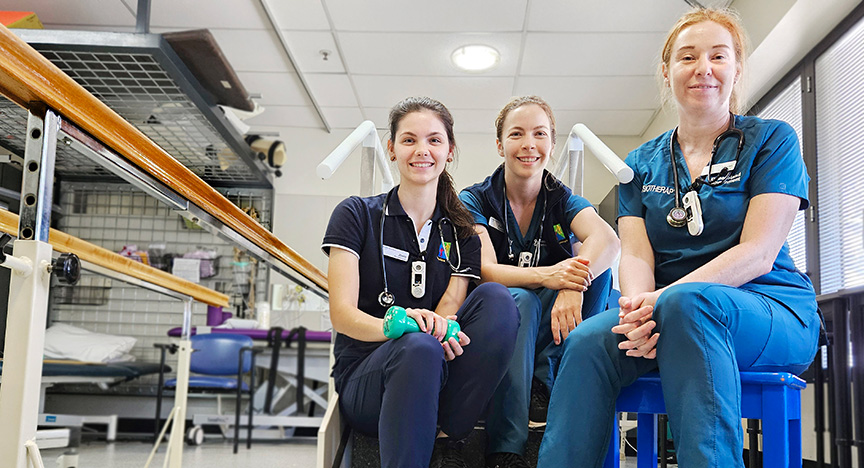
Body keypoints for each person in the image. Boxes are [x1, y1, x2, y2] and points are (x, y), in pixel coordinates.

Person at [537, 8, 821, 468]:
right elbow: (634, 254)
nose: (703, 68)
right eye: (687, 57)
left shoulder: (772, 140)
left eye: (718, 56)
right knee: (588, 342)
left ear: (737, 69)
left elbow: (758, 253)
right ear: (667, 72)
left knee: (690, 305)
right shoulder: (639, 163)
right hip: (667, 311)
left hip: (768, 309)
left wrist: (661, 303)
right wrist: (638, 311)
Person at [322, 96, 519, 468]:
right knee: (417, 346)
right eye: (409, 140)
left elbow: (449, 306)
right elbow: (342, 315)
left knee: (497, 298)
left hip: (439, 373)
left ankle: (447, 435)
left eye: (434, 140)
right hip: (368, 379)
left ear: (449, 151)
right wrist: (400, 326)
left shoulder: (463, 232)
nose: (421, 150)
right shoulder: (355, 215)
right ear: (392, 149)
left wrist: (434, 326)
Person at [459, 96, 620, 468]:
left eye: (539, 134)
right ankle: (505, 448)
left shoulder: (561, 199)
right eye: (516, 134)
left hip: (546, 330)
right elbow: (485, 268)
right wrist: (549, 275)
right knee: (521, 299)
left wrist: (570, 285)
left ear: (552, 143)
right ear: (500, 145)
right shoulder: (475, 198)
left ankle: (548, 383)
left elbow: (609, 241)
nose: (529, 144)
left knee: (598, 275)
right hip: (494, 325)